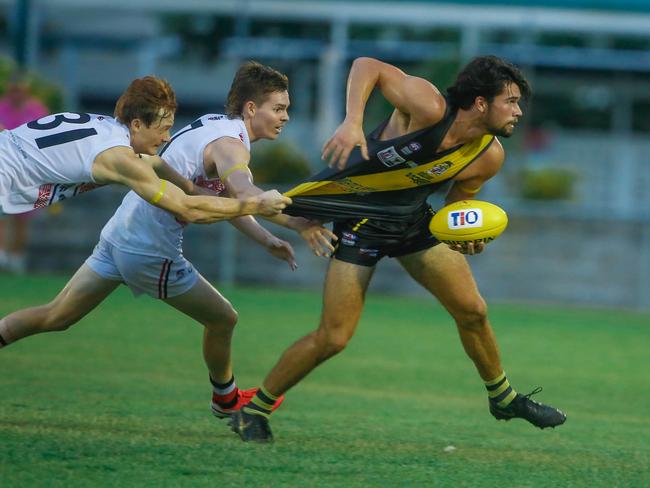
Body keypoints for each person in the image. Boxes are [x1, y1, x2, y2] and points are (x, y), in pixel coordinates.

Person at [230, 56, 567, 442]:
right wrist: (352, 121)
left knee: (473, 311)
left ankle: (503, 398)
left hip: (412, 222)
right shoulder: (427, 105)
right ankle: (253, 411)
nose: (518, 111)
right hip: (362, 224)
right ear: (480, 103)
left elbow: (457, 211)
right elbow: (366, 65)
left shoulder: (488, 156)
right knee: (334, 337)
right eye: (510, 101)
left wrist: (468, 239)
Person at [0, 61, 335, 420]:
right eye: (279, 108)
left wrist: (271, 229)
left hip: (119, 234)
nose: (165, 137)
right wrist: (267, 206)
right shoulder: (220, 146)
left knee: (57, 316)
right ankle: (225, 398)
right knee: (223, 318)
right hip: (147, 247)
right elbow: (221, 198)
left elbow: (175, 175)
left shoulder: (141, 129)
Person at [0, 75, 290, 224]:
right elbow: (187, 210)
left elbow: (159, 167)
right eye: (163, 129)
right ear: (137, 124)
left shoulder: (107, 129)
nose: (166, 139)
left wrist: (189, 185)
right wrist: (254, 205)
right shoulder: (119, 157)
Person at [0, 72, 49, 273]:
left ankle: (17, 257)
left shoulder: (36, 109)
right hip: (3, 165)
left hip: (27, 170)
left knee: (23, 216)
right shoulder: (1, 107)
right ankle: (2, 255)